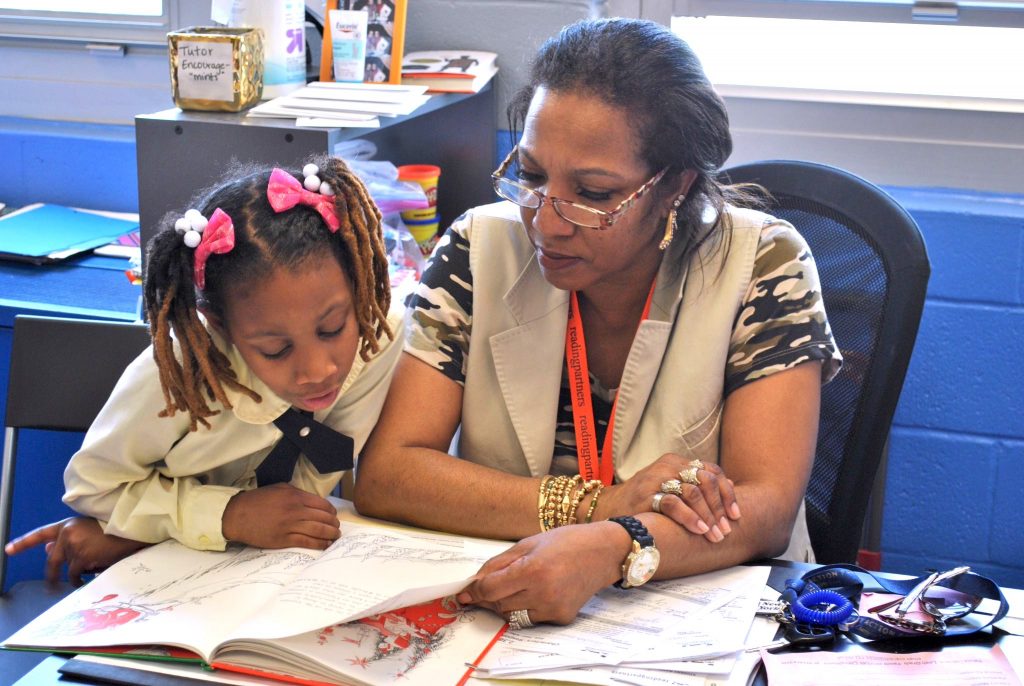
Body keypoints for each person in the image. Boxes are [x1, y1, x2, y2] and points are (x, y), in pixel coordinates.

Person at [354, 18, 842, 627]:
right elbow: (389, 473)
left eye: (592, 193)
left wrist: (617, 545)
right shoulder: (478, 249)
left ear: (674, 187)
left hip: (706, 618)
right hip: (515, 605)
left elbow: (765, 508)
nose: (547, 221)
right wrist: (597, 505)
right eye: (531, 176)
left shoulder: (760, 262)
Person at [5, 157, 403, 585]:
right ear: (218, 323)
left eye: (332, 328)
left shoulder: (377, 333)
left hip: (258, 576)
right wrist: (227, 516)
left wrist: (142, 535)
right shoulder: (180, 370)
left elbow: (307, 492)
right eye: (275, 349)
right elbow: (93, 488)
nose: (319, 370)